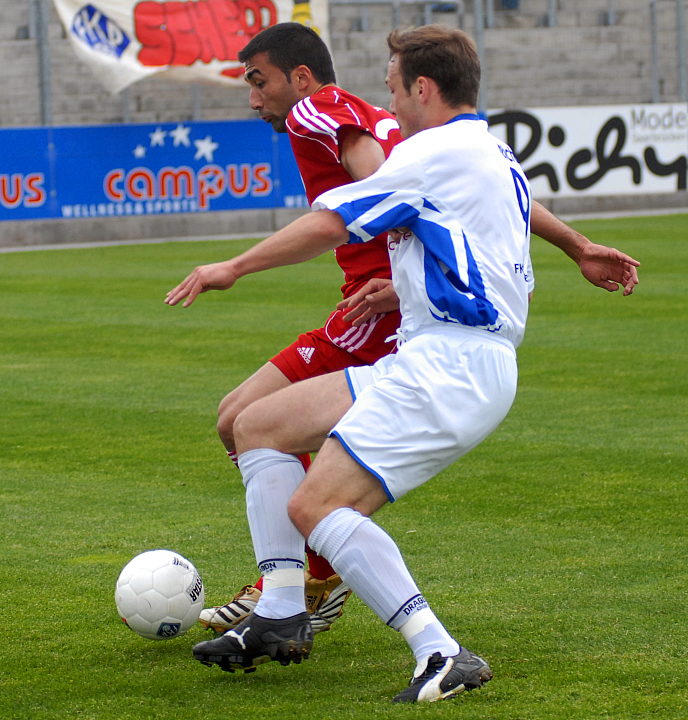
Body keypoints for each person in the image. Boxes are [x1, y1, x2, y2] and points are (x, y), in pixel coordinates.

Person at [166, 25, 639, 702]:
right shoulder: (490, 153)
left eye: (392, 84)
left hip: (451, 367)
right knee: (257, 425)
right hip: (444, 355)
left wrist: (231, 266)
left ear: (423, 88)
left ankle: (439, 651)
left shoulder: (430, 153)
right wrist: (409, 285)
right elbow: (484, 248)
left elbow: (336, 221)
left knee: (316, 505)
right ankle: (278, 608)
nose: (387, 99)